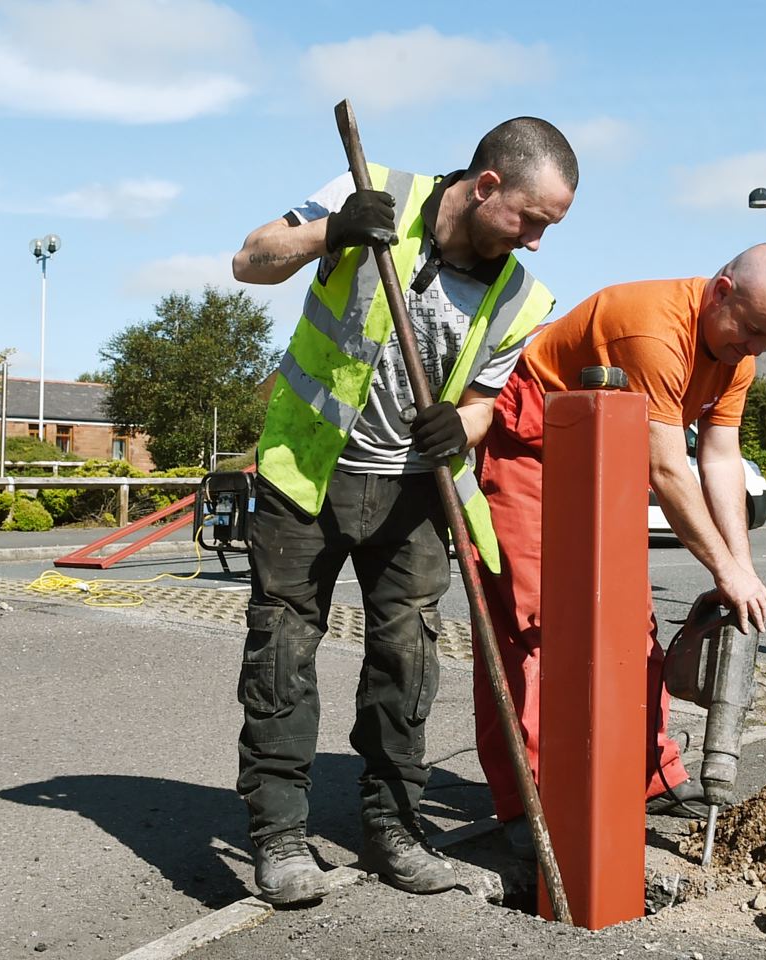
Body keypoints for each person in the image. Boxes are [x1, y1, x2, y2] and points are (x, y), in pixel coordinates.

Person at [229, 117, 578, 905]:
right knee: (282, 650)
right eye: (528, 219)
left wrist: (463, 423)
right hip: (305, 471)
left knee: (407, 661)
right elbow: (248, 261)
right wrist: (331, 231)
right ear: (486, 185)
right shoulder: (372, 190)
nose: (533, 242)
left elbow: (487, 403)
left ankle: (394, 831)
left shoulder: (522, 293)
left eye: (548, 227)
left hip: (416, 489)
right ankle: (279, 837)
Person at [472, 243, 766, 858]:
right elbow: (666, 466)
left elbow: (720, 457)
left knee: (631, 624)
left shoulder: (739, 358)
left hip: (604, 455)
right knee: (533, 626)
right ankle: (528, 796)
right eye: (753, 330)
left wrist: (743, 570)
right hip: (531, 446)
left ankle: (651, 774)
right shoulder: (654, 329)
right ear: (722, 291)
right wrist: (722, 568)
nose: (757, 349)